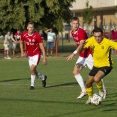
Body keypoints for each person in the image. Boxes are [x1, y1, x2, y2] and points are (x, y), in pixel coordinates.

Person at [66, 17, 106, 99]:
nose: (75, 25)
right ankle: (84, 91)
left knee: (97, 75)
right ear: (71, 24)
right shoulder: (72, 32)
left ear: (79, 24)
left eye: (77, 23)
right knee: (75, 72)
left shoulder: (81, 32)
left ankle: (104, 90)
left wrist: (73, 53)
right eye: (74, 23)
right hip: (82, 56)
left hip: (89, 55)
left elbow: (81, 44)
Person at [76, 27, 117, 104]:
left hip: (106, 65)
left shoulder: (107, 42)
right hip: (96, 66)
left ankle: (101, 92)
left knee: (96, 79)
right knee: (88, 83)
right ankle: (90, 98)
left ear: (102, 35)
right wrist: (81, 46)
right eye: (95, 36)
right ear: (93, 35)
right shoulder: (91, 40)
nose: (97, 38)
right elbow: (81, 50)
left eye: (99, 36)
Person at [20, 22, 47, 90]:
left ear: (33, 28)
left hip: (37, 54)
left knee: (32, 69)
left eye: (32, 27)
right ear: (27, 28)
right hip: (29, 55)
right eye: (29, 27)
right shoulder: (24, 34)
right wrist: (22, 51)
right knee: (33, 70)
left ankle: (32, 86)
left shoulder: (37, 36)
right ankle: (43, 77)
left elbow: (41, 46)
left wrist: (44, 58)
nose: (31, 28)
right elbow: (21, 41)